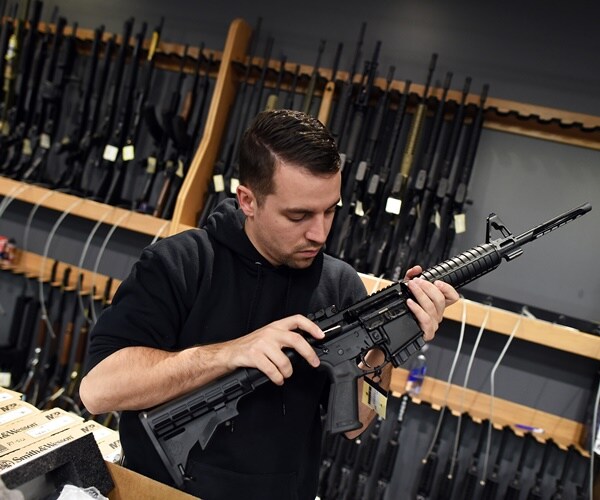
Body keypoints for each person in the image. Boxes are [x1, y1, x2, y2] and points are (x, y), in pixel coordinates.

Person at [79, 109, 458, 500]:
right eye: (298, 215)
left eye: (330, 210)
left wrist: (391, 340)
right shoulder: (181, 263)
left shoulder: (341, 284)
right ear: (247, 200)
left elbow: (355, 425)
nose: (319, 232)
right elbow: (98, 390)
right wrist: (229, 354)